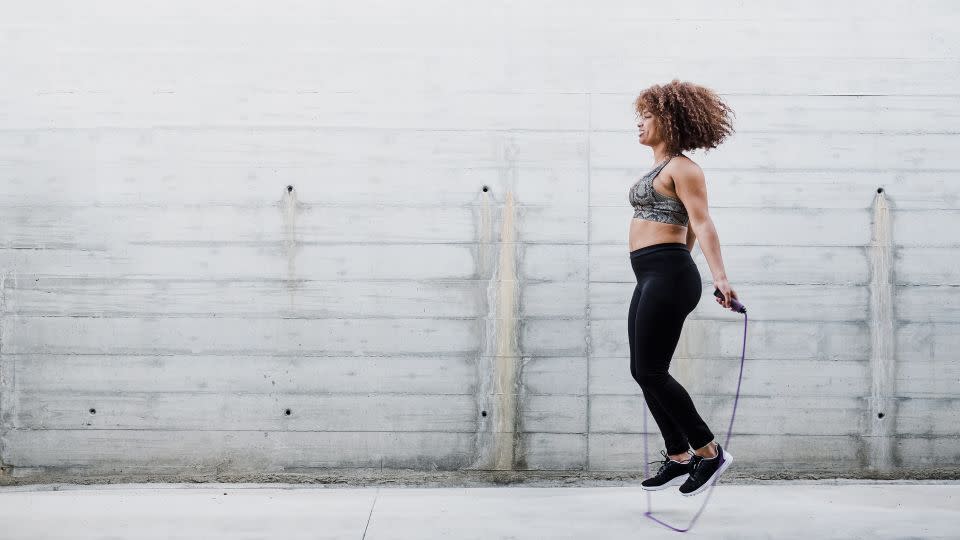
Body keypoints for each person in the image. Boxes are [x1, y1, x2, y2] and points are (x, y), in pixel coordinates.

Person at [627, 79, 739, 497]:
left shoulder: (683, 168)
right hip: (653, 273)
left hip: (668, 273)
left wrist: (719, 277)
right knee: (642, 370)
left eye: (648, 115)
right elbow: (688, 228)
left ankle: (709, 452)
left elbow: (703, 222)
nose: (640, 123)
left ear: (669, 119)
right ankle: (678, 455)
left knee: (652, 370)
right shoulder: (658, 170)